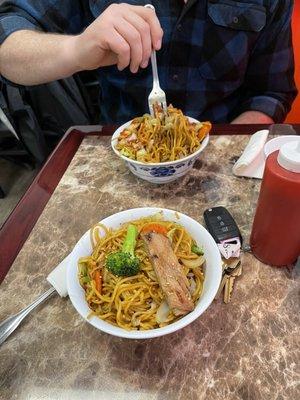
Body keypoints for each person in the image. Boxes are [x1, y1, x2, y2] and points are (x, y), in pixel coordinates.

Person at [0, 0, 297, 125]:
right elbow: (7, 41)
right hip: (119, 154)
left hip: (217, 157)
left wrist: (231, 151)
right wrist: (76, 50)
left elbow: (271, 92)